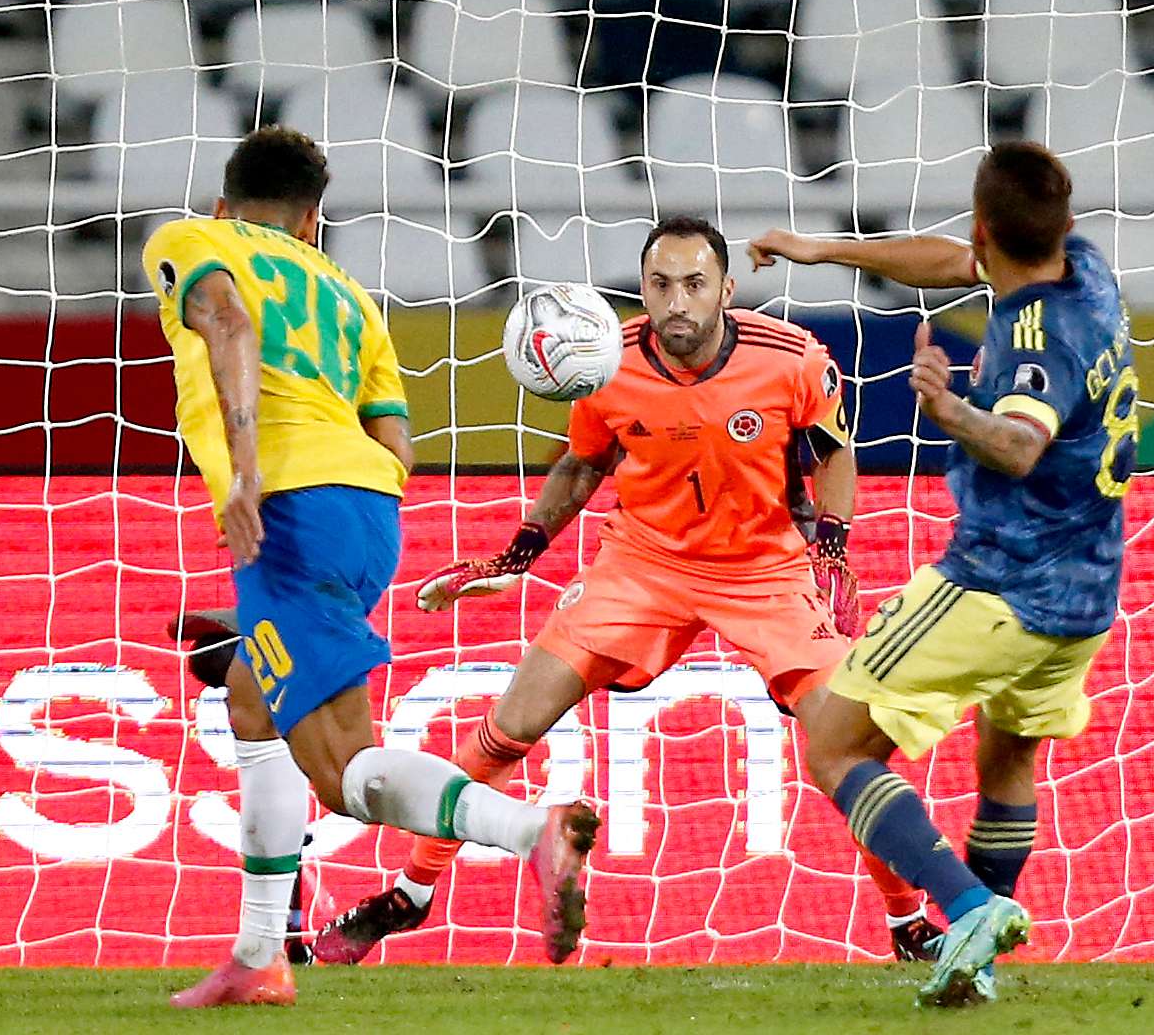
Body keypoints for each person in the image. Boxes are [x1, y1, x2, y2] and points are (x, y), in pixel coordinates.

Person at [313, 217, 940, 967]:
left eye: (695, 284)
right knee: (506, 727)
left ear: (726, 291)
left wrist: (832, 541)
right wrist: (522, 549)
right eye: (661, 284)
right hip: (641, 566)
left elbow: (835, 453)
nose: (677, 301)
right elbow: (582, 465)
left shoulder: (793, 358)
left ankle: (908, 921)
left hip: (765, 570)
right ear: (642, 289)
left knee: (849, 744)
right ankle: (409, 895)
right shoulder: (605, 361)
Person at [143, 126, 598, 1008]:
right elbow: (396, 440)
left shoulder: (193, 240)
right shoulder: (352, 296)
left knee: (342, 770)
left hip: (286, 508)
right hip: (369, 513)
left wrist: (245, 470)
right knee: (252, 698)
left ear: (223, 205)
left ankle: (530, 831)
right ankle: (258, 954)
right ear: (314, 221)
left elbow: (227, 321)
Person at [746, 142, 1132, 1006]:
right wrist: (827, 251)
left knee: (836, 742)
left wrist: (949, 405)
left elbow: (1023, 442)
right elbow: (952, 263)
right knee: (1006, 764)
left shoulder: (1039, 333)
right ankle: (978, 964)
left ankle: (961, 909)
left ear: (984, 225)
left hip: (1000, 583)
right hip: (1088, 592)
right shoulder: (1089, 268)